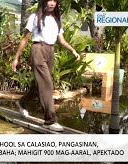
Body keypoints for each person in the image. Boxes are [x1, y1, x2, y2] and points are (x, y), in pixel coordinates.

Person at [12, 0, 80, 131]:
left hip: (50, 51)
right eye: (49, 0)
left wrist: (73, 51)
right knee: (47, 84)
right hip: (38, 49)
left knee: (39, 85)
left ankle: (22, 102)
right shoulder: (34, 17)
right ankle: (49, 121)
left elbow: (62, 40)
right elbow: (25, 39)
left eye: (54, 0)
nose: (52, 3)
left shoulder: (56, 20)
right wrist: (16, 58)